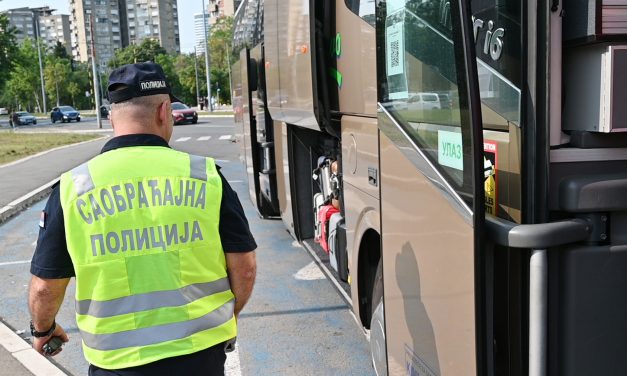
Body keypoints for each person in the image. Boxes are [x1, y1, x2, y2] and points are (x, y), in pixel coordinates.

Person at [28, 61, 257, 376]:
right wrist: (226, 316)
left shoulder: (73, 188)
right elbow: (244, 270)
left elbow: (45, 288)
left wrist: (43, 330)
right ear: (164, 111)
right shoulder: (204, 175)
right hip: (199, 356)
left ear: (112, 118)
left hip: (116, 364)